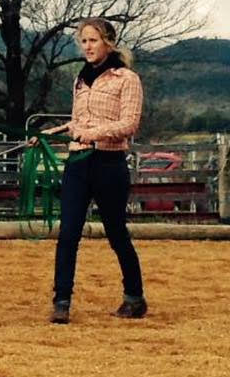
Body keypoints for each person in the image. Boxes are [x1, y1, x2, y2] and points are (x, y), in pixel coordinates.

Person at [31, 17, 146, 324]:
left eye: (93, 40)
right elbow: (76, 122)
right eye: (83, 41)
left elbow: (129, 125)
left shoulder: (127, 79)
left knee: (116, 233)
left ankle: (134, 297)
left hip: (109, 164)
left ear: (108, 42)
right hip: (78, 163)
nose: (87, 47)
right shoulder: (80, 80)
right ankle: (62, 301)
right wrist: (50, 133)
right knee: (68, 233)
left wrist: (94, 134)